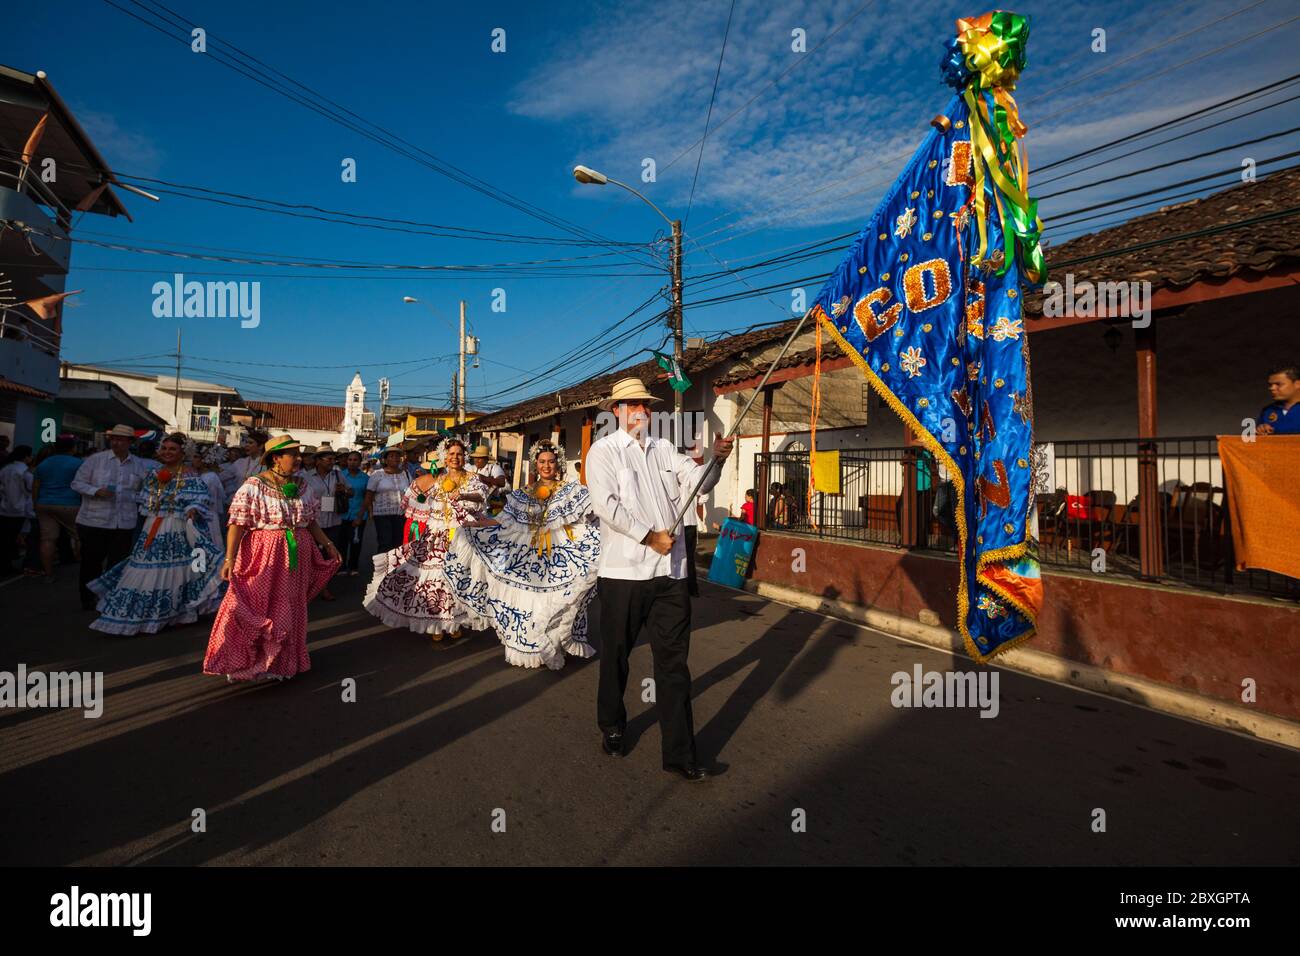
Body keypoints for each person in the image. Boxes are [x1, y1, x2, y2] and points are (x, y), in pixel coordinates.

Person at [584, 377, 733, 781]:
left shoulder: (666, 449)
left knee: (674, 664)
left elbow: (698, 486)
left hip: (670, 574)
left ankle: (680, 754)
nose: (642, 412)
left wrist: (716, 461)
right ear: (615, 411)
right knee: (616, 656)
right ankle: (612, 725)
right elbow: (606, 506)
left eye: (646, 405)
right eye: (633, 405)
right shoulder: (603, 452)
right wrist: (649, 536)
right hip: (624, 573)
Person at [445, 439, 599, 669]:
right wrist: (474, 526)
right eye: (542, 462)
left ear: (559, 464)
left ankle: (554, 646)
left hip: (561, 557)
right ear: (535, 465)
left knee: (557, 601)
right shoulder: (522, 495)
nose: (547, 466)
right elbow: (501, 522)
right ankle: (535, 651)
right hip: (526, 558)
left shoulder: (573, 491)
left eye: (551, 461)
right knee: (531, 603)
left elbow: (593, 514)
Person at [203, 435, 341, 682]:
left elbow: (310, 522)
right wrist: (229, 559)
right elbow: (237, 524)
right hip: (263, 553)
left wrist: (328, 545)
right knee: (259, 603)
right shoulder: (253, 486)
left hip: (297, 553)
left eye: (299, 454)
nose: (299, 459)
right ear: (276, 458)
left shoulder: (303, 485)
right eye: (292, 454)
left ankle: (282, 661)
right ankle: (254, 661)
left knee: (289, 604)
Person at [88, 432, 225, 635]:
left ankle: (177, 613)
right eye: (164, 449)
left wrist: (192, 509)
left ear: (182, 452)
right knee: (143, 567)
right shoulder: (153, 474)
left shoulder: (189, 475)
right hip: (152, 526)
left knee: (178, 570)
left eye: (173, 449)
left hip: (177, 527)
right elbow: (145, 500)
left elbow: (199, 497)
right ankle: (137, 613)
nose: (167, 453)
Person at [363, 436, 490, 640]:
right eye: (451, 454)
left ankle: (454, 622)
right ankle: (437, 624)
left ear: (465, 456)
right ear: (445, 458)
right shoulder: (437, 480)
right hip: (436, 536)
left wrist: (464, 496)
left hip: (462, 537)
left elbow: (481, 496)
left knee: (457, 579)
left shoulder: (472, 478)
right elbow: (418, 499)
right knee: (437, 580)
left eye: (459, 454)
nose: (455, 457)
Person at [70, 425, 149, 609]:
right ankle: (88, 598)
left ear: (130, 442)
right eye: (113, 439)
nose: (116, 442)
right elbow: (77, 483)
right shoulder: (95, 460)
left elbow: (144, 490)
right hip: (94, 521)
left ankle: (110, 599)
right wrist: (95, 491)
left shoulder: (138, 464)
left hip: (124, 523)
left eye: (121, 439)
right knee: (91, 562)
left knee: (117, 564)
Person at [31, 435, 84, 582]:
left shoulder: (43, 464)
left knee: (47, 539)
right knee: (80, 536)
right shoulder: (78, 463)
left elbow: (36, 487)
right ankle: (83, 568)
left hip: (44, 504)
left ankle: (48, 575)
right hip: (70, 504)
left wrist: (35, 505)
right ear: (73, 448)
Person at [302, 446, 349, 600]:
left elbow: (351, 492)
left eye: (332, 458)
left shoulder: (337, 474)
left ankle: (324, 586)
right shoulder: (307, 477)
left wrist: (344, 491)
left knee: (330, 555)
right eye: (328, 459)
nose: (331, 462)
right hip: (315, 522)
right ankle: (311, 585)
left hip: (334, 520)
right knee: (314, 555)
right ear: (318, 461)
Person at [361, 447, 411, 553]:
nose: (395, 458)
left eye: (397, 456)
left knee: (398, 543)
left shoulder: (406, 474)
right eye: (391, 456)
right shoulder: (377, 474)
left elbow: (411, 493)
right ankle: (383, 568)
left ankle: (396, 568)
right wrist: (360, 516)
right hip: (382, 515)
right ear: (385, 459)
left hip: (401, 515)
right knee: (385, 543)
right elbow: (369, 495)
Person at [0, 445, 33, 575]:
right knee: (15, 538)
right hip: (20, 509)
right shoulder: (25, 471)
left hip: (4, 508)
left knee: (5, 539)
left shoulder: (6, 468)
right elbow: (30, 489)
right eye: (30, 455)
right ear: (25, 457)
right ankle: (9, 565)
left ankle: (5, 563)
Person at [339, 450, 370, 576]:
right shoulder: (340, 475)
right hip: (342, 514)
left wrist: (361, 515)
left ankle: (353, 566)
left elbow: (367, 498)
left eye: (355, 460)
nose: (352, 462)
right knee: (342, 542)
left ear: (360, 462)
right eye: (350, 460)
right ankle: (341, 567)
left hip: (359, 514)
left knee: (356, 542)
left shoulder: (365, 478)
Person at [1257, 363, 1300, 435]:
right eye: (1270, 385)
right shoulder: (1268, 410)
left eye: (1278, 384)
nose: (1272, 388)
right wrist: (1260, 430)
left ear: (1297, 384)